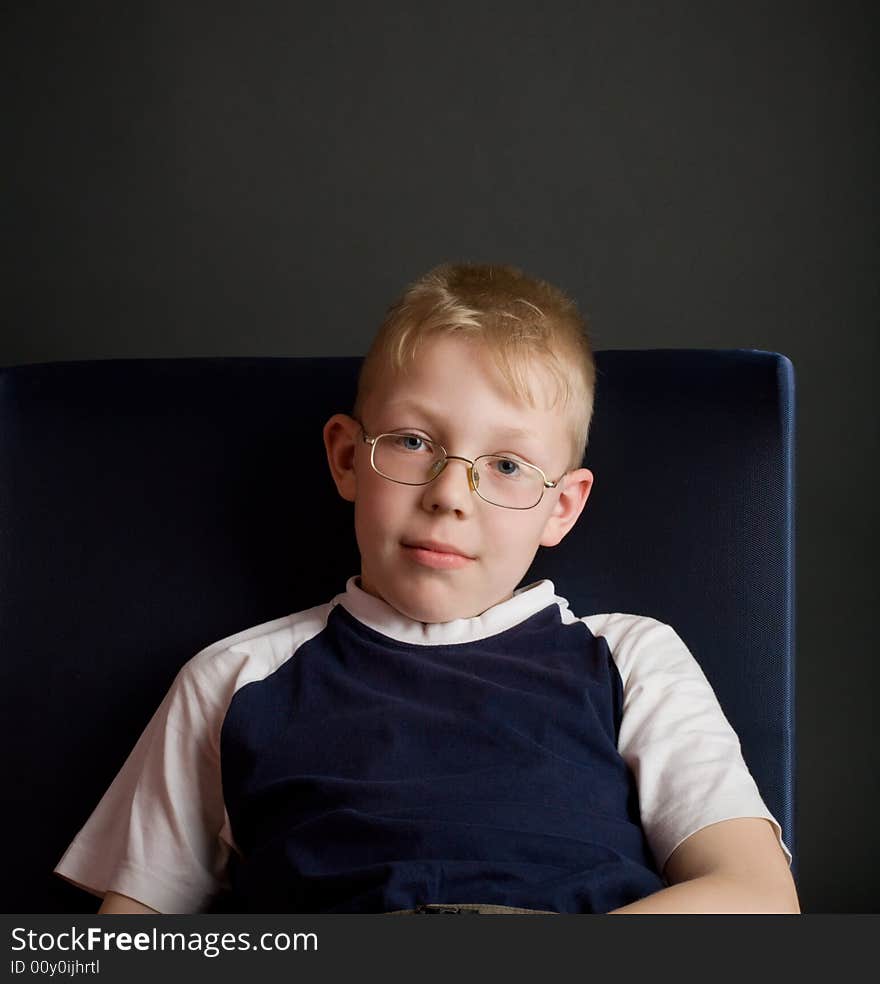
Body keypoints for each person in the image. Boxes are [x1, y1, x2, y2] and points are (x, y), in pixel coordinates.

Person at [53, 262, 799, 914]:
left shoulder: (632, 658)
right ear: (347, 458)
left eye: (508, 465)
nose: (451, 495)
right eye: (414, 442)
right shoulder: (232, 679)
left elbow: (757, 897)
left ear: (561, 506)